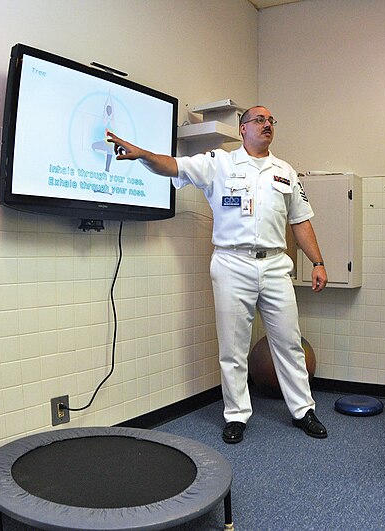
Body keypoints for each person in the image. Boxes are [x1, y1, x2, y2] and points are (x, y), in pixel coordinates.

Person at [106, 106, 329, 444]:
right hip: (231, 263)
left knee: (289, 341)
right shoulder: (219, 162)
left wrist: (317, 262)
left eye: (271, 120)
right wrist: (141, 156)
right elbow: (174, 166)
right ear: (242, 129)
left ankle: (302, 410)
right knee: (233, 346)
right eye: (259, 120)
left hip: (274, 265)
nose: (267, 124)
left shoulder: (285, 172)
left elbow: (300, 220)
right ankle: (236, 415)